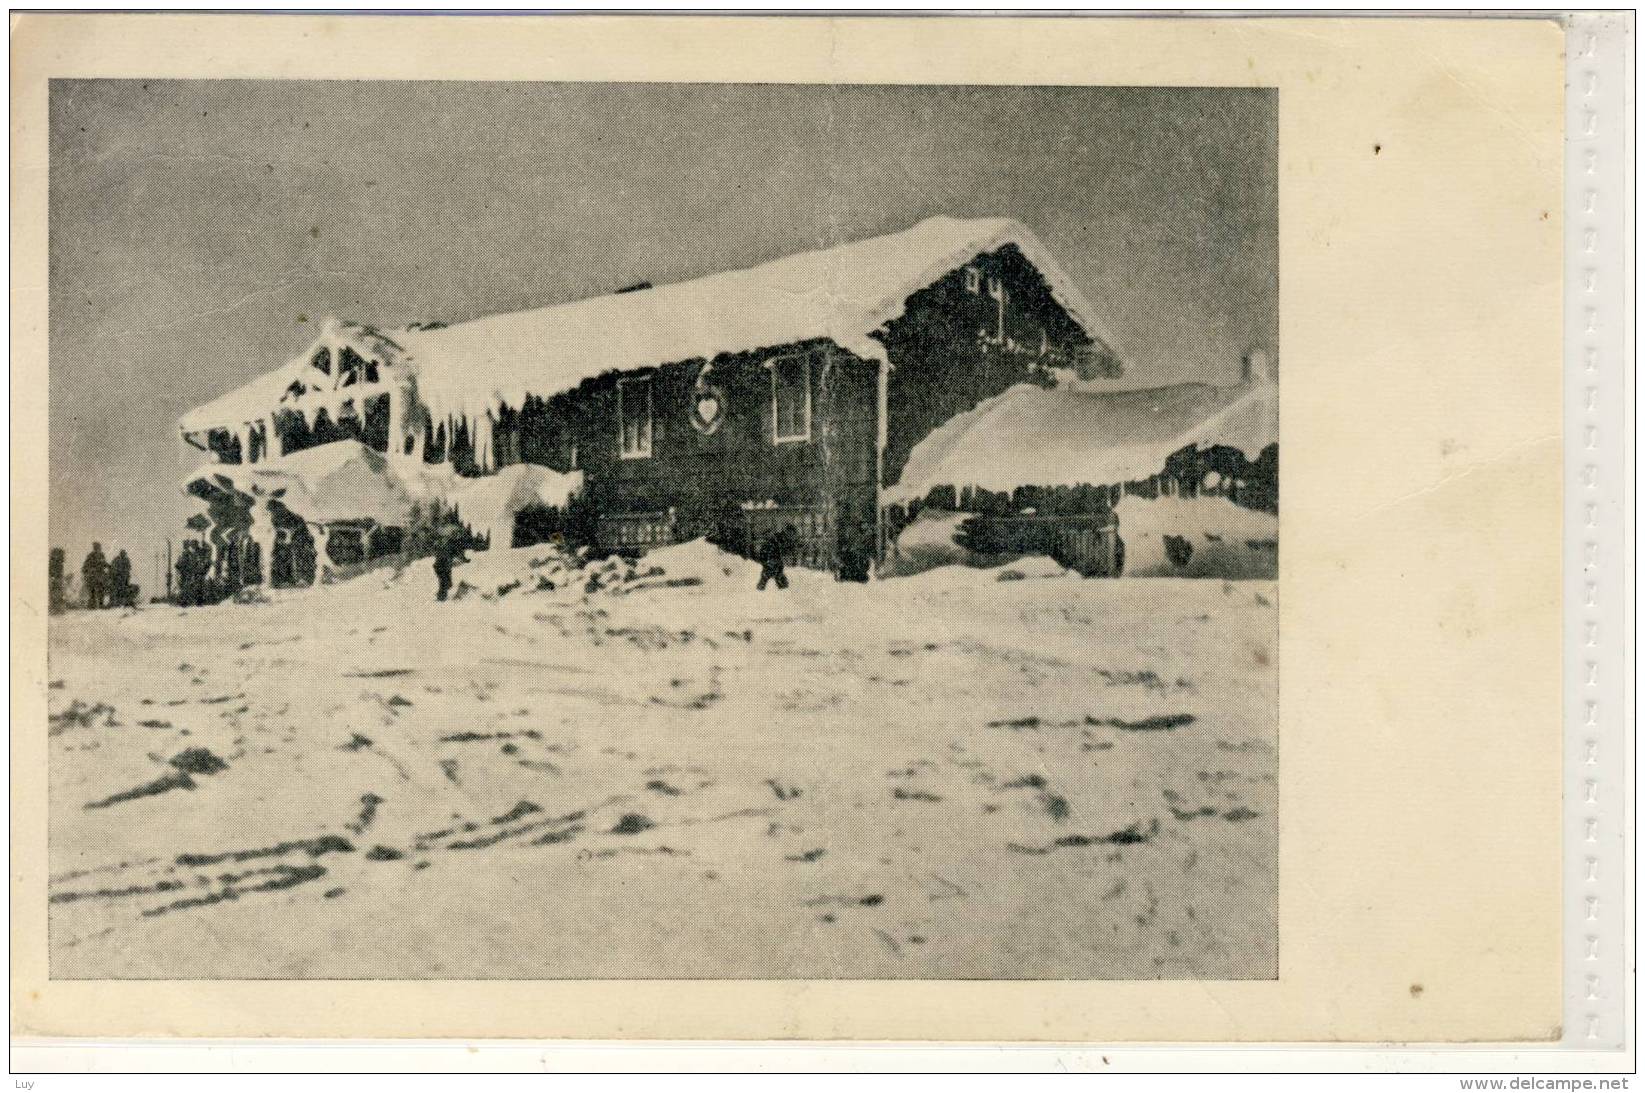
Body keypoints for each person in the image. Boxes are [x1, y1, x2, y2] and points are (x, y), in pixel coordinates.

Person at [756, 523, 797, 591]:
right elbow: (767, 550)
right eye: (791, 533)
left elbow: (787, 550)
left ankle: (783, 590)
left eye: (792, 533)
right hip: (770, 560)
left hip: (775, 560)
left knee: (776, 576)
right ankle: (758, 592)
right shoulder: (777, 539)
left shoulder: (783, 539)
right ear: (787, 531)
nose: (791, 535)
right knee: (768, 576)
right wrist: (768, 560)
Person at [433, 528, 470, 602]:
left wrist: (465, 559)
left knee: (447, 582)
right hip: (441, 565)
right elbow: (457, 553)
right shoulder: (450, 543)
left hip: (444, 565)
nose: (456, 536)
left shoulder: (449, 543)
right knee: (444, 581)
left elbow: (458, 553)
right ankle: (441, 597)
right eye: (455, 535)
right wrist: (464, 559)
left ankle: (442, 594)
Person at [80, 542, 108, 610]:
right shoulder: (90, 555)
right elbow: (85, 566)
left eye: (98, 547)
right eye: (97, 547)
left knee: (101, 590)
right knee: (92, 591)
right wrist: (86, 573)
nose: (98, 548)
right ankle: (92, 605)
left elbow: (104, 563)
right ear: (94, 548)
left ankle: (101, 605)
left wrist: (109, 566)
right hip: (93, 576)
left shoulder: (101, 555)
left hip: (100, 576)